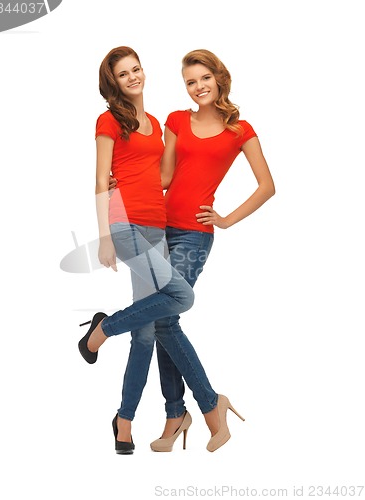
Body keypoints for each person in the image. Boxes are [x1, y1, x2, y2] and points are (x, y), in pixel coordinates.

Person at [149, 49, 275, 453]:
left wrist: (226, 218)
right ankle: (174, 412)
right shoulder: (175, 120)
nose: (198, 86)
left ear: (219, 78)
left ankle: (207, 404)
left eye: (204, 78)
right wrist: (128, 179)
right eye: (190, 81)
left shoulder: (240, 130)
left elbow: (267, 186)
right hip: (159, 228)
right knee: (159, 321)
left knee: (164, 318)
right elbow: (165, 176)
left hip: (193, 236)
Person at [78, 46, 195, 455]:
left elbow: (163, 175)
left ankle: (123, 421)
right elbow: (99, 177)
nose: (133, 77)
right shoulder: (107, 120)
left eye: (136, 69)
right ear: (113, 82)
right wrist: (104, 237)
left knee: (145, 334)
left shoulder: (155, 123)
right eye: (123, 73)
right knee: (182, 295)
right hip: (123, 224)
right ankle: (102, 331)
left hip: (156, 225)